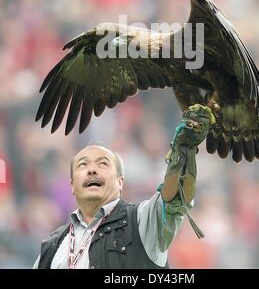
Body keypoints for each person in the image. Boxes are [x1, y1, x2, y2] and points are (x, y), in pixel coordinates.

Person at [33, 104, 214, 269]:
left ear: (120, 182)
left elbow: (173, 200)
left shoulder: (142, 221)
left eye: (102, 164)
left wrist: (182, 152)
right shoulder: (53, 245)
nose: (91, 170)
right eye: (82, 165)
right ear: (72, 185)